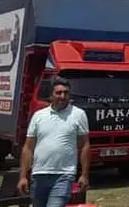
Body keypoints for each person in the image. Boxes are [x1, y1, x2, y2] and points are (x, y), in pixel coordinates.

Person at [17, 76, 90, 207]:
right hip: (39, 175)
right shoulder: (39, 116)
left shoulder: (78, 115)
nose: (62, 96)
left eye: (66, 93)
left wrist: (84, 175)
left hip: (64, 175)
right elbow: (28, 148)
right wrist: (23, 176)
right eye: (58, 93)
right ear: (51, 95)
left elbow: (84, 146)